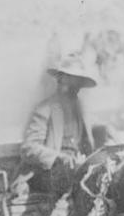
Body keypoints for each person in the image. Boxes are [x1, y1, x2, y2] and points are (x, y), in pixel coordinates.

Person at [19, 50, 98, 197]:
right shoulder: (45, 109)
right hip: (48, 173)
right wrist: (59, 158)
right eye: (70, 78)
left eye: (78, 80)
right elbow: (29, 148)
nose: (75, 85)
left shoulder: (81, 109)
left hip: (76, 170)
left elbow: (89, 144)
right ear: (60, 79)